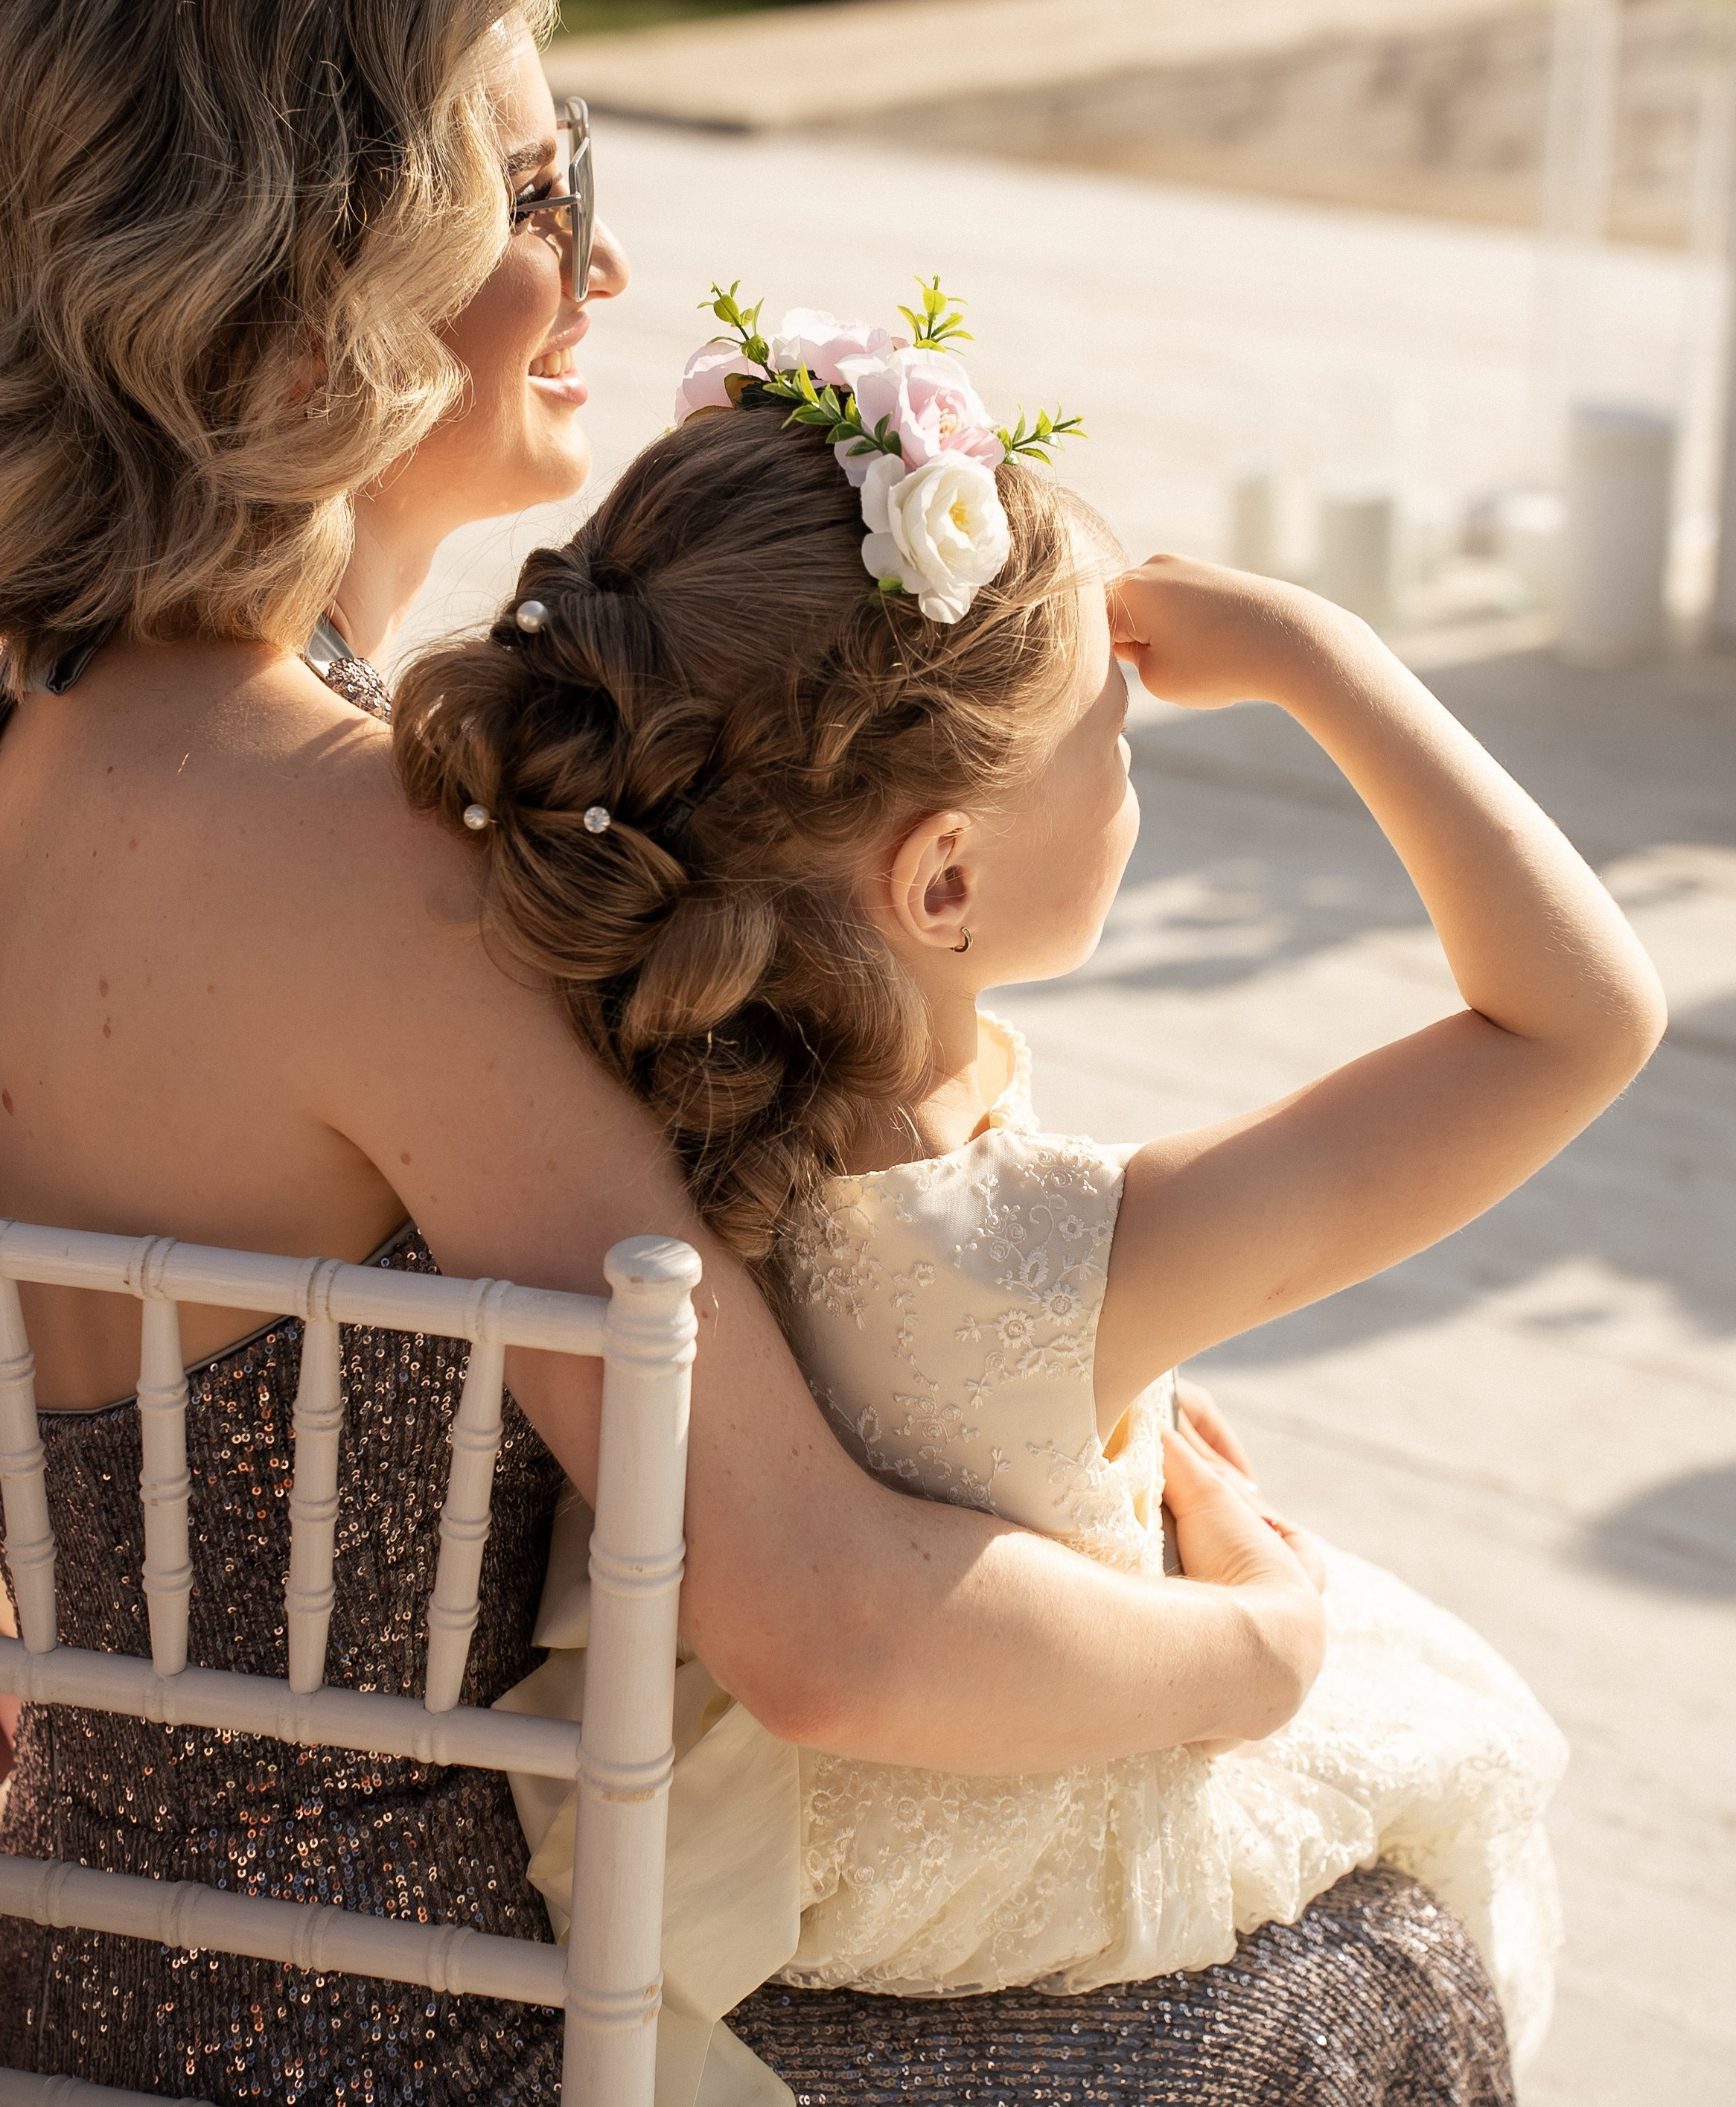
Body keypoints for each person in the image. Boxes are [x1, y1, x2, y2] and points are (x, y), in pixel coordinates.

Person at [0, 0, 1500, 2106]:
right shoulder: (369, 866)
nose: (602, 255)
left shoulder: (47, 757)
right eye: (532, 189)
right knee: (1379, 1965)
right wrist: (1254, 1651)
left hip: (70, 1937)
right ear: (311, 296)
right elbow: (821, 1630)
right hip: (420, 2021)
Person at [390, 298, 1665, 2098]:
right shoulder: (1053, 1251)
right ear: (944, 879)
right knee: (1414, 1803)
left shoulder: (602, 1095)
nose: (1134, 763)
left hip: (698, 1850)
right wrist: (1326, 659)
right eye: (1110, 742)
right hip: (973, 1871)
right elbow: (1580, 1018)